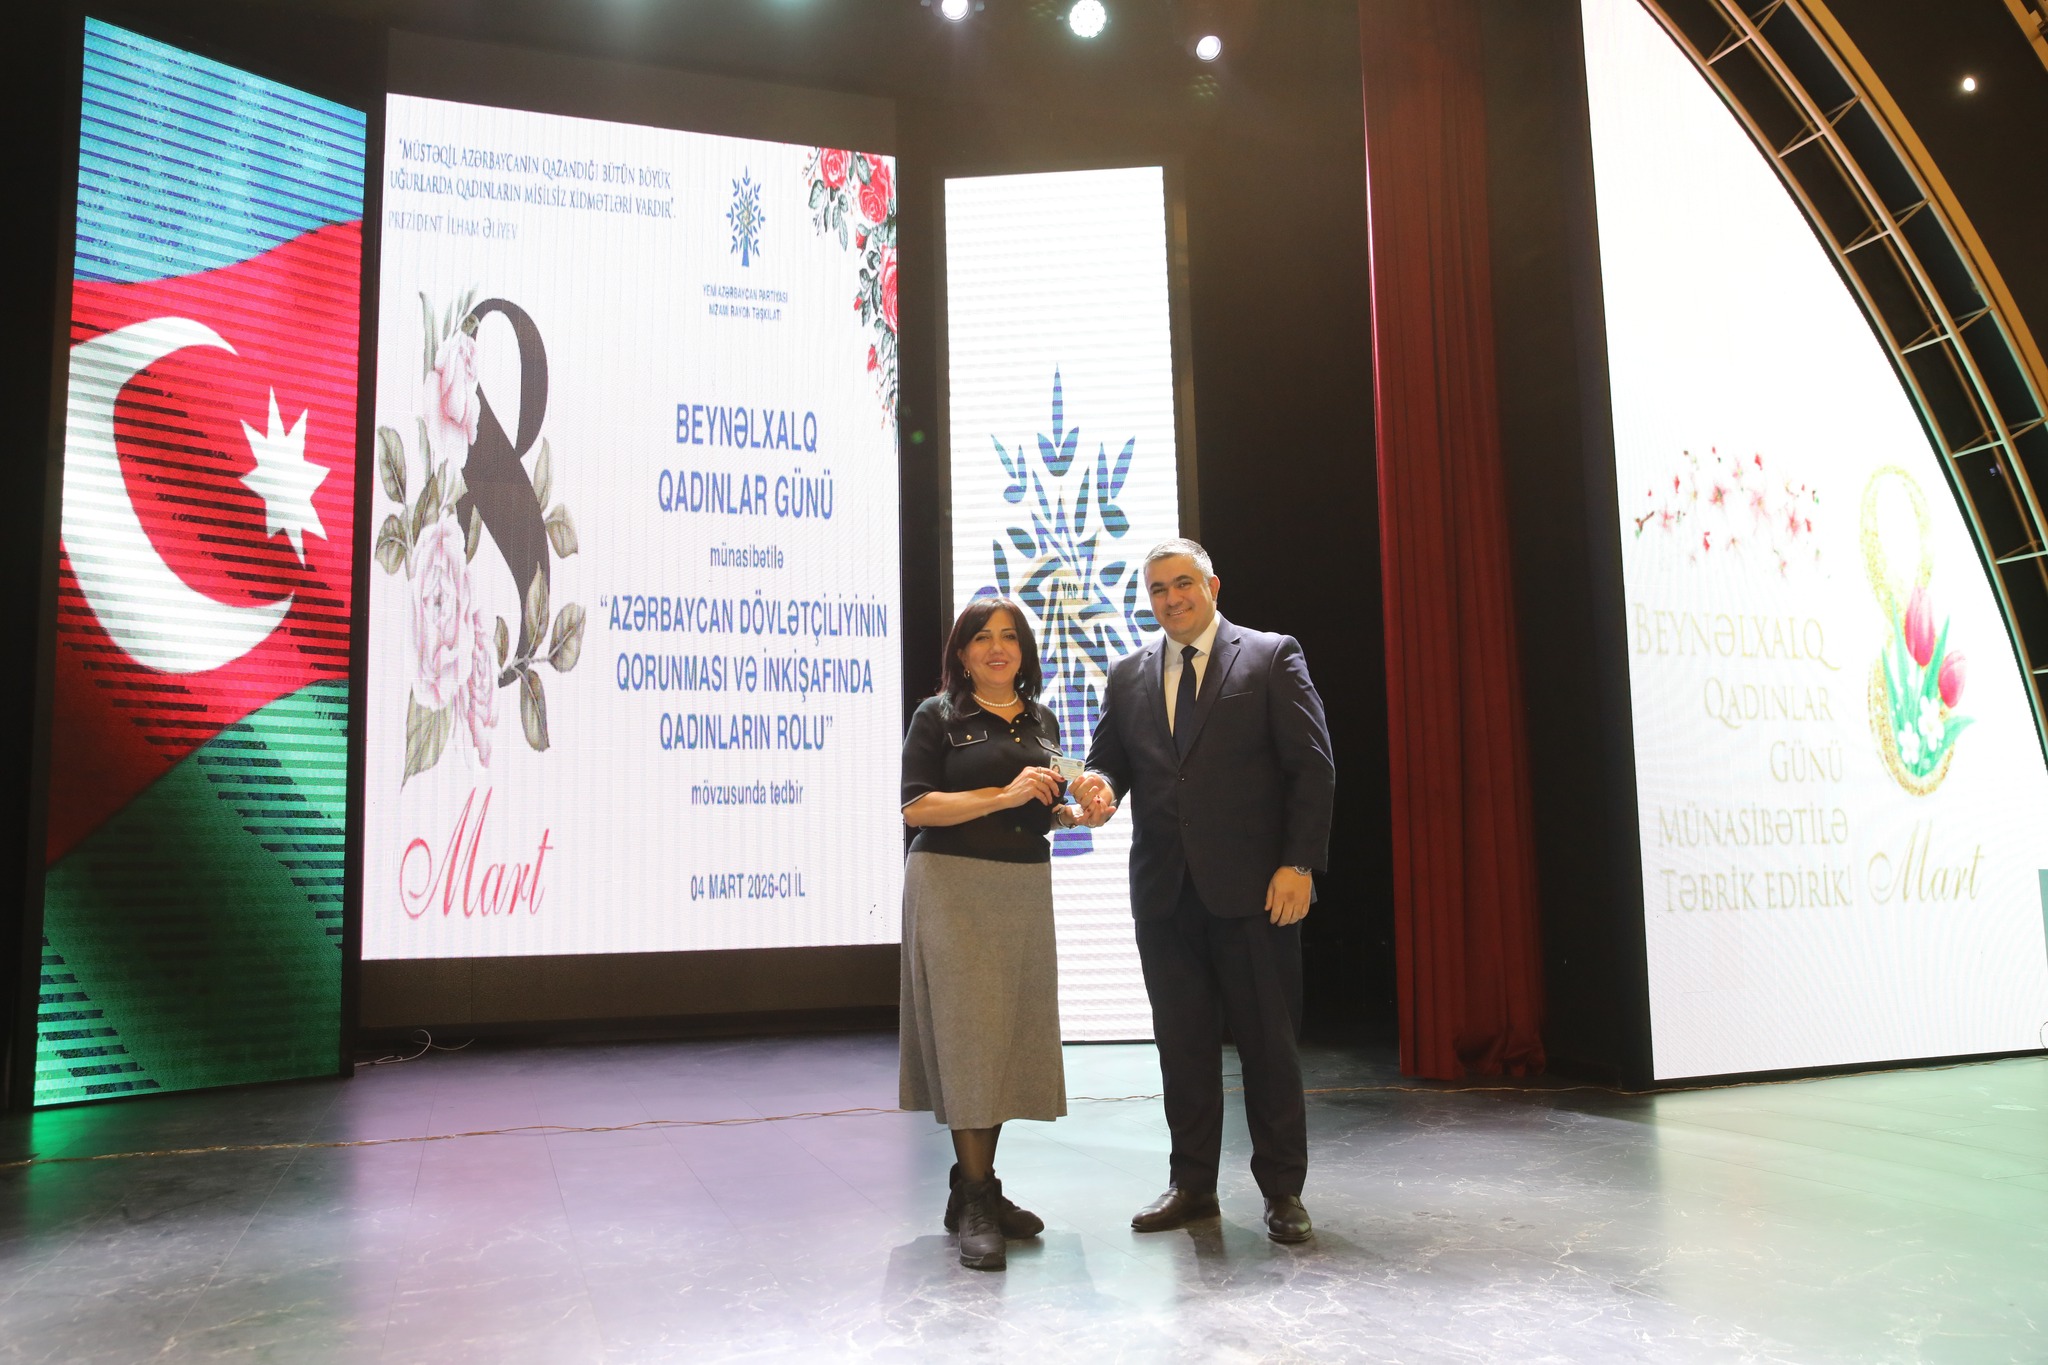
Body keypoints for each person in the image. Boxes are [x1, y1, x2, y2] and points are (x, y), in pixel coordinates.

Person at [1072, 538, 1335, 1243]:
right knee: (1182, 1047)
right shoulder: (1128, 674)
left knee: (1267, 1047)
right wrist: (1098, 789)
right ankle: (1192, 1185)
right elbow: (1109, 763)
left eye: (1182, 583)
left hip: (1257, 892)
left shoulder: (1270, 656)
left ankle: (1282, 1190)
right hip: (1165, 895)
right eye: (1158, 589)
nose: (1171, 598)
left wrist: (1299, 864)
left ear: (1212, 585)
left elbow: (1313, 766)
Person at [899, 595, 1108, 1270]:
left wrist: (1080, 810)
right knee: (968, 1040)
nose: (998, 647)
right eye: (982, 637)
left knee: (1003, 1037)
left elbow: (1050, 801)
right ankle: (977, 1201)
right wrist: (1005, 795)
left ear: (1024, 650)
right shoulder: (937, 716)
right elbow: (916, 805)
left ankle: (974, 1190)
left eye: (1010, 636)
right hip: (951, 887)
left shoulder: (1042, 721)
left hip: (1021, 888)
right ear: (962, 654)